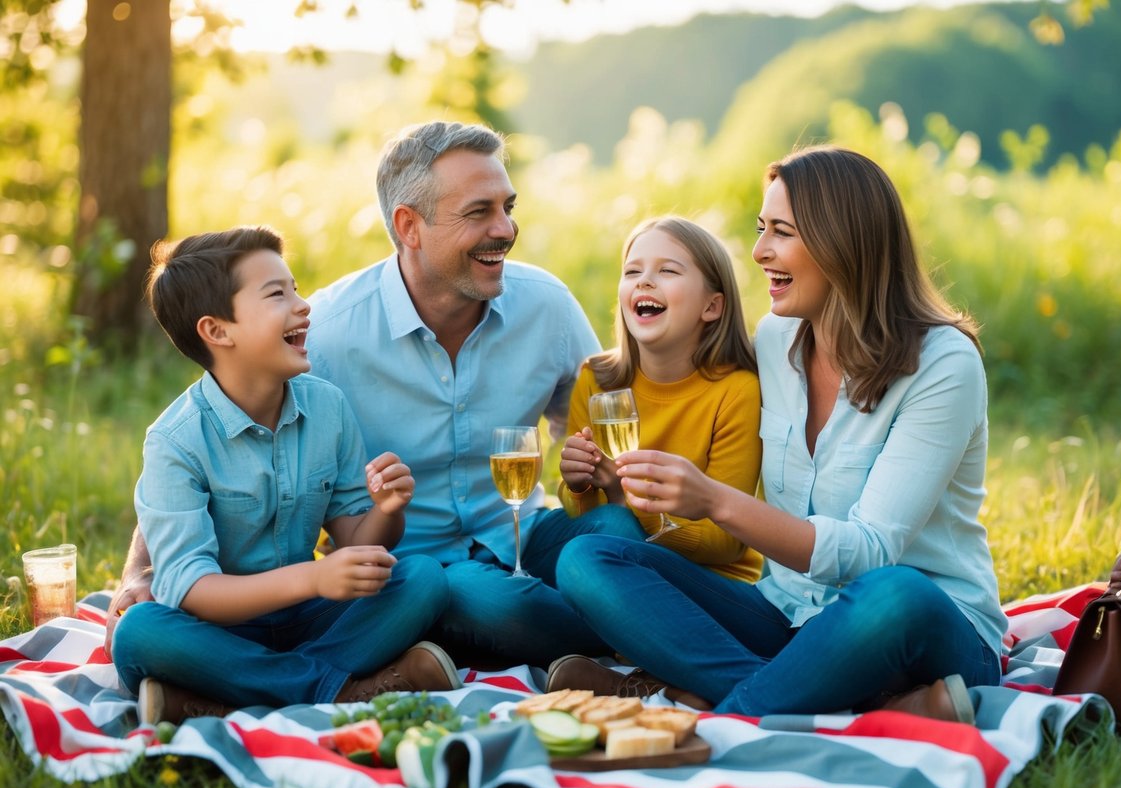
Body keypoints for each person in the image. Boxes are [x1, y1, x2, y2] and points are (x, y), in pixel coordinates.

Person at [106, 121, 641, 669]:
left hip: (521, 532)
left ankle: (604, 628)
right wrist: (141, 572)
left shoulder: (546, 306)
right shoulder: (324, 335)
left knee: (618, 533)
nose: (505, 228)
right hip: (414, 565)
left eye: (508, 206)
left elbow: (612, 424)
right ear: (409, 225)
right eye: (479, 212)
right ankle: (616, 632)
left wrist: (599, 473)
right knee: (479, 598)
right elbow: (204, 441)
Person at [550, 146, 1008, 721]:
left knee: (897, 590)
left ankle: (725, 709)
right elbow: (695, 375)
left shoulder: (943, 364)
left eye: (782, 233)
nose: (760, 251)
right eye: (761, 229)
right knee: (588, 558)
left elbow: (869, 552)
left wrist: (713, 500)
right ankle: (830, 698)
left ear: (842, 243)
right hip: (788, 616)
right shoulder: (776, 339)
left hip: (916, 626)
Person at [111, 226, 457, 724]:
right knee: (141, 632)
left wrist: (387, 509)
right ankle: (340, 691)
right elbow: (193, 590)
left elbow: (356, 540)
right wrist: (314, 576)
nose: (303, 305)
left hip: (310, 621)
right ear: (217, 331)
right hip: (221, 633)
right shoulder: (175, 441)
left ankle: (224, 697)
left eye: (295, 288)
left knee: (423, 579)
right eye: (278, 294)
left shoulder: (327, 406)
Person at [556, 216, 763, 582]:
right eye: (632, 271)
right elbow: (586, 515)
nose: (645, 280)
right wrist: (577, 484)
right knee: (486, 597)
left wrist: (624, 496)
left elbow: (726, 541)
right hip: (606, 564)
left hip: (710, 585)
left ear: (712, 307)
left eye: (668, 270)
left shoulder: (736, 390)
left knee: (605, 538)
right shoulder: (596, 378)